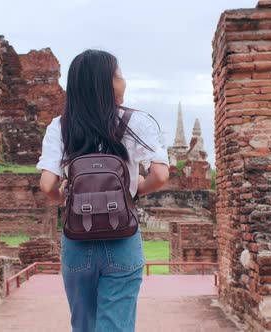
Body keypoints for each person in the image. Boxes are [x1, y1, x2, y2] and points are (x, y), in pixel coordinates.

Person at [35, 49, 170, 332]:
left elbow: (47, 184)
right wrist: (134, 192)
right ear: (106, 83)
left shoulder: (60, 126)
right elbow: (159, 174)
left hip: (77, 239)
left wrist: (63, 198)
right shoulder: (136, 122)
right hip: (123, 237)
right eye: (119, 76)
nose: (124, 82)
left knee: (83, 325)